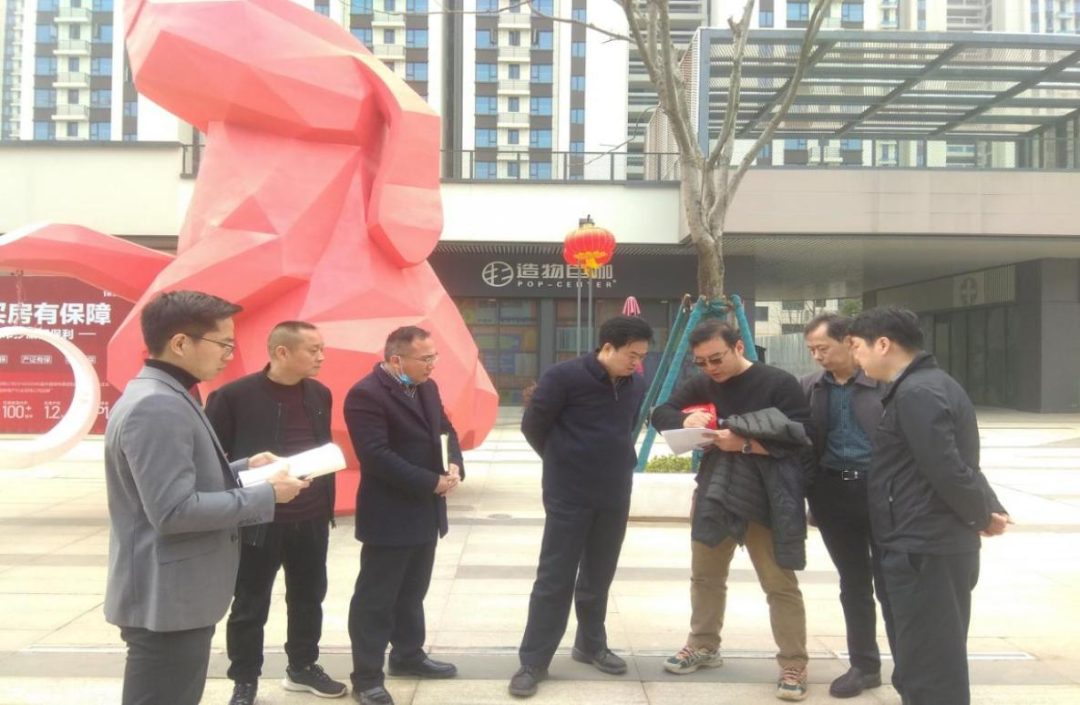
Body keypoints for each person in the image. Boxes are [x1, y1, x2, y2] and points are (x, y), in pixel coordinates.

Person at [103, 290, 309, 705]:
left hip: (175, 595)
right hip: (167, 599)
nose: (229, 356)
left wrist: (243, 469)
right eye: (223, 344)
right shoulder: (158, 405)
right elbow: (173, 511)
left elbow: (179, 480)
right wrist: (267, 495)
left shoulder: (166, 393)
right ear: (180, 343)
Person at [848, 307, 1010, 705]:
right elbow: (957, 461)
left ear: (882, 344)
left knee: (932, 665)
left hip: (925, 547)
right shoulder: (925, 386)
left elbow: (947, 467)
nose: (855, 357)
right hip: (921, 542)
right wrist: (986, 506)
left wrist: (981, 514)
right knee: (924, 658)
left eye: (856, 346)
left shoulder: (918, 392)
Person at [652, 319, 814, 702]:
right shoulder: (702, 383)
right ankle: (703, 645)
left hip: (766, 495)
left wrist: (743, 443)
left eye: (717, 358)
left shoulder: (778, 383)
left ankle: (794, 662)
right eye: (702, 362)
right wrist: (684, 420)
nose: (711, 368)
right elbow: (660, 412)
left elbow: (804, 437)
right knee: (705, 576)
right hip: (715, 490)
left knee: (779, 583)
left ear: (738, 347)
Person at [509, 316, 654, 699]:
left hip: (615, 492)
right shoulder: (563, 377)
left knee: (599, 574)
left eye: (641, 356)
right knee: (555, 577)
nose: (636, 363)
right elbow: (533, 426)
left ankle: (591, 645)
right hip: (568, 493)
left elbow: (627, 428)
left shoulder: (636, 384)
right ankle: (533, 661)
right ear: (607, 347)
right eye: (631, 355)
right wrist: (563, 460)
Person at [205, 321, 347, 704]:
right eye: (313, 350)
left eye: (321, 349)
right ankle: (244, 680)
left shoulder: (319, 393)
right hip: (258, 520)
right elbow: (210, 462)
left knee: (308, 597)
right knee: (250, 604)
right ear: (282, 352)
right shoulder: (232, 396)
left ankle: (302, 667)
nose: (321, 357)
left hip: (311, 518)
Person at [343, 326, 463, 705]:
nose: (432, 364)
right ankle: (367, 677)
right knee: (376, 600)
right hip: (389, 514)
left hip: (425, 512)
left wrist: (454, 465)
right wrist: (431, 482)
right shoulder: (366, 394)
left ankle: (408, 655)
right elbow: (375, 456)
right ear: (396, 360)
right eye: (425, 358)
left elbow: (445, 429)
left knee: (412, 593)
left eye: (434, 356)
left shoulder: (427, 387)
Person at [801, 313, 892, 699]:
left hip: (881, 493)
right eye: (812, 350)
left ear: (849, 342)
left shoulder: (883, 383)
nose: (817, 356)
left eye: (823, 348)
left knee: (892, 583)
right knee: (853, 583)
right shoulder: (810, 387)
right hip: (833, 493)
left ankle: (910, 666)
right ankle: (864, 666)